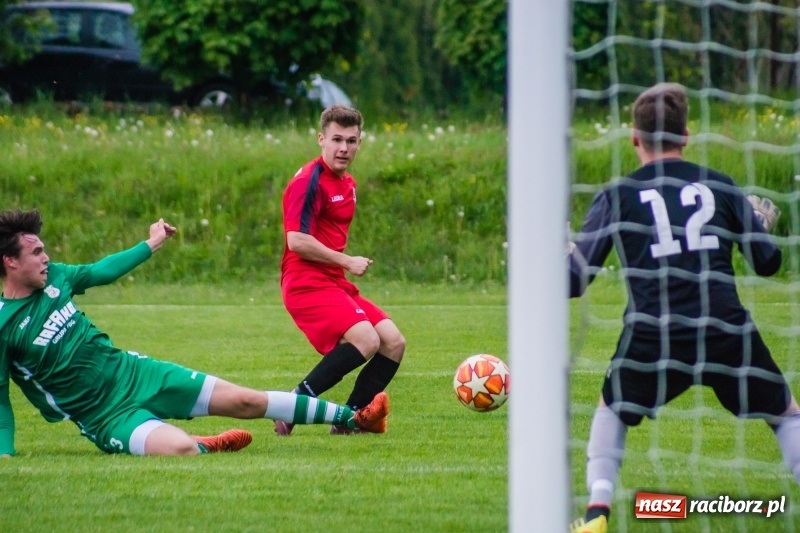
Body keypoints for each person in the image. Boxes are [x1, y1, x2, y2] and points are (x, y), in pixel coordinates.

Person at [567, 83, 800, 533]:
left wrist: (562, 254)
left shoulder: (618, 194)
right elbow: (768, 262)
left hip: (654, 332)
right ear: (686, 135)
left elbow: (574, 282)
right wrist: (756, 227)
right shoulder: (721, 185)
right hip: (724, 328)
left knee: (610, 409)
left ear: (635, 138)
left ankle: (597, 513)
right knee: (786, 414)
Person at [0, 209, 389, 458]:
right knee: (180, 450)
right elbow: (1, 399)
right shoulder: (4, 326)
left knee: (248, 400)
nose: (46, 257)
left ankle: (357, 418)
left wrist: (152, 243)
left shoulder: (58, 278)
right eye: (35, 253)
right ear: (10, 262)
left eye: (44, 249)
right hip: (103, 415)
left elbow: (103, 271)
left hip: (136, 373)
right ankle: (205, 444)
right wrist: (5, 454)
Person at [277, 104, 406, 436]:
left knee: (393, 342)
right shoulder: (308, 181)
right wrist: (347, 261)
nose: (344, 148)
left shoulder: (348, 183)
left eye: (351, 141)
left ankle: (349, 420)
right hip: (304, 280)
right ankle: (293, 405)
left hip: (333, 280)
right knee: (366, 339)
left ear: (359, 143)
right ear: (321, 140)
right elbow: (296, 241)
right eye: (336, 139)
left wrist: (341, 267)